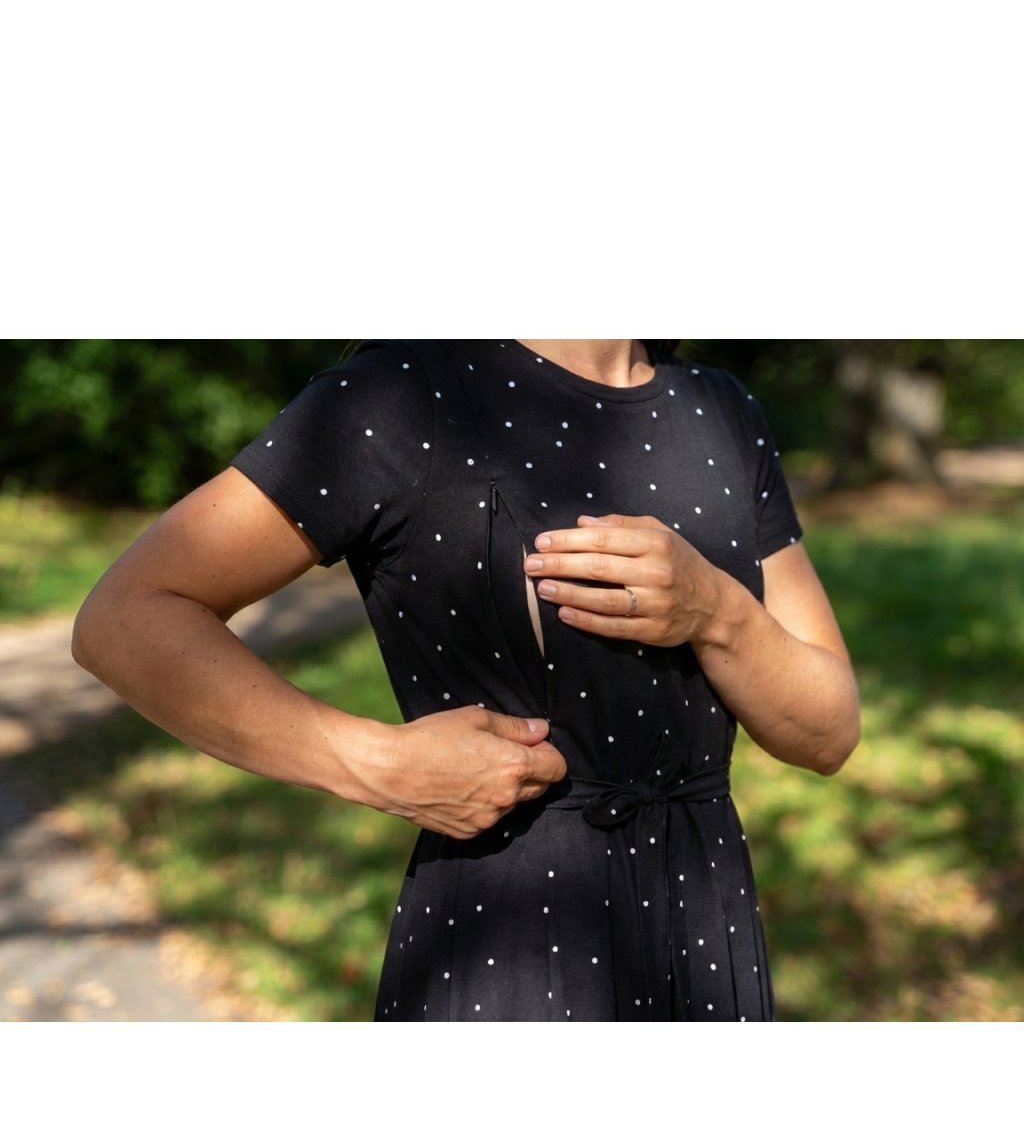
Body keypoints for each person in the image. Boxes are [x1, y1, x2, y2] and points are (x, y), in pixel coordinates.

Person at [72, 340, 859, 1021]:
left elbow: (828, 733)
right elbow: (127, 616)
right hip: (508, 940)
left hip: (705, 927)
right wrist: (375, 763)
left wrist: (717, 610)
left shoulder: (720, 410)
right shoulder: (401, 392)